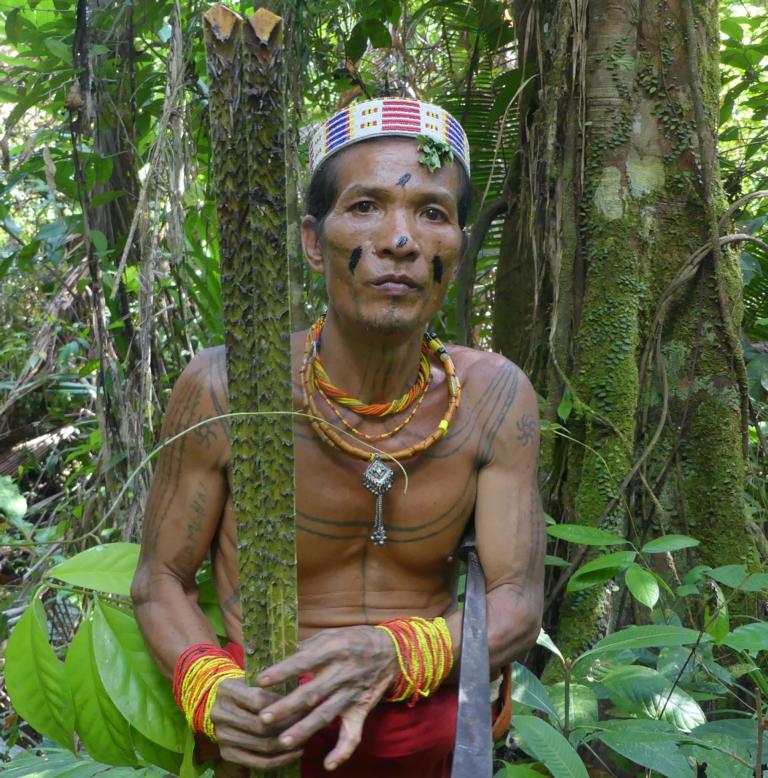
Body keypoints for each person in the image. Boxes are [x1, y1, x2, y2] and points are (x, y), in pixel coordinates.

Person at [131, 97, 545, 777]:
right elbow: (159, 580)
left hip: (430, 743)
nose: (401, 240)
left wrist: (397, 655)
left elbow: (517, 604)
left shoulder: (494, 399)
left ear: (458, 245)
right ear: (312, 238)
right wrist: (209, 689)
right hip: (268, 747)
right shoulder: (228, 388)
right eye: (365, 207)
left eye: (432, 213)